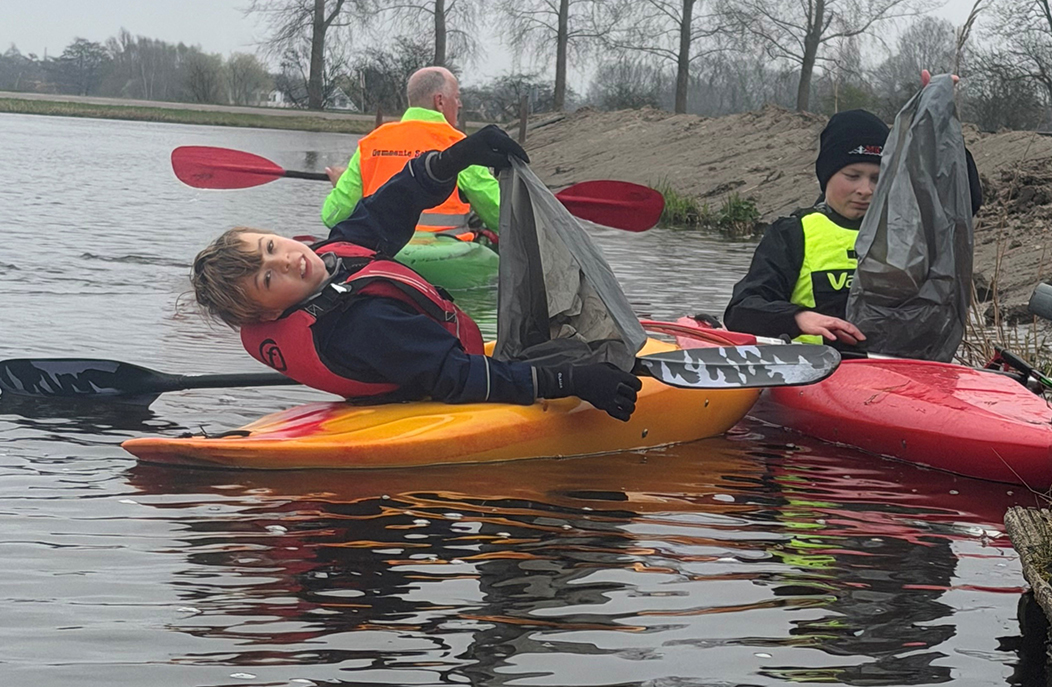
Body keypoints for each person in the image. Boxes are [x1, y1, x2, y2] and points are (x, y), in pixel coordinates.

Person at [191, 125, 641, 421]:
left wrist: (452, 159)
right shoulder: (360, 326)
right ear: (268, 316)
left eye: (271, 248)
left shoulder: (333, 256)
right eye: (269, 279)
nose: (286, 261)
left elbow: (388, 206)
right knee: (595, 359)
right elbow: (457, 377)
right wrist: (569, 381)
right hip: (434, 388)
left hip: (434, 363)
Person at [724, 78, 982, 347]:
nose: (865, 190)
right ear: (827, 176)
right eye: (852, 176)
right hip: (819, 366)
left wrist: (936, 119)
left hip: (895, 365)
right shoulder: (792, 233)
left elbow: (961, 200)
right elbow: (742, 311)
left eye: (877, 178)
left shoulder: (908, 228)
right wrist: (798, 318)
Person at [321, 66, 499, 238]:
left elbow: (332, 217)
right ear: (440, 101)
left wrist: (342, 183)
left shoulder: (372, 142)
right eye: (457, 97)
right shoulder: (459, 145)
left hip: (382, 250)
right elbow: (501, 216)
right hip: (445, 252)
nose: (459, 105)